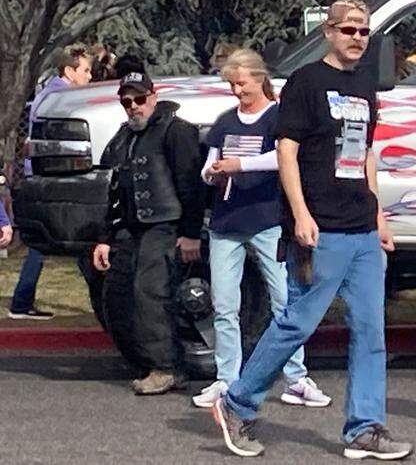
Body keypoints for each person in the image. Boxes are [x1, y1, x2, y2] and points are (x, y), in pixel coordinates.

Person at [212, 0, 412, 461]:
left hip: (361, 226)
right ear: (328, 33)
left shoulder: (364, 83)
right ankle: (238, 403)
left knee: (370, 330)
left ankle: (365, 428)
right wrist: (300, 213)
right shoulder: (306, 82)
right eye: (348, 30)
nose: (357, 38)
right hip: (321, 226)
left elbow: (366, 154)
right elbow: (286, 151)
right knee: (297, 323)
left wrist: (379, 216)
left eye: (363, 32)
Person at [191, 49, 331, 410]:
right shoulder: (225, 121)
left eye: (243, 84)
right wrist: (214, 171)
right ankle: (227, 379)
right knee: (225, 305)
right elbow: (209, 163)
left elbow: (283, 157)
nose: (238, 91)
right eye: (233, 85)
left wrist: (242, 164)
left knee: (285, 302)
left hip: (269, 221)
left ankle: (296, 378)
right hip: (227, 223)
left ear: (260, 79)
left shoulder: (278, 118)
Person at [92, 72, 207, 394]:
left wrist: (191, 233)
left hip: (166, 225)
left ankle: (166, 368)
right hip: (131, 228)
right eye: (126, 102)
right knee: (119, 294)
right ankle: (145, 360)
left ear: (153, 97)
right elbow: (114, 189)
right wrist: (105, 238)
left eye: (139, 99)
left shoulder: (177, 131)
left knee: (150, 292)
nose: (133, 107)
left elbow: (190, 184)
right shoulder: (123, 137)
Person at [10, 44, 93, 321]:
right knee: (75, 237)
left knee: (54, 240)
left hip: (46, 175)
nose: (90, 77)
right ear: (69, 71)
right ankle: (22, 302)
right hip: (52, 177)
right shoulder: (61, 98)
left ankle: (22, 301)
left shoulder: (51, 93)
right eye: (85, 70)